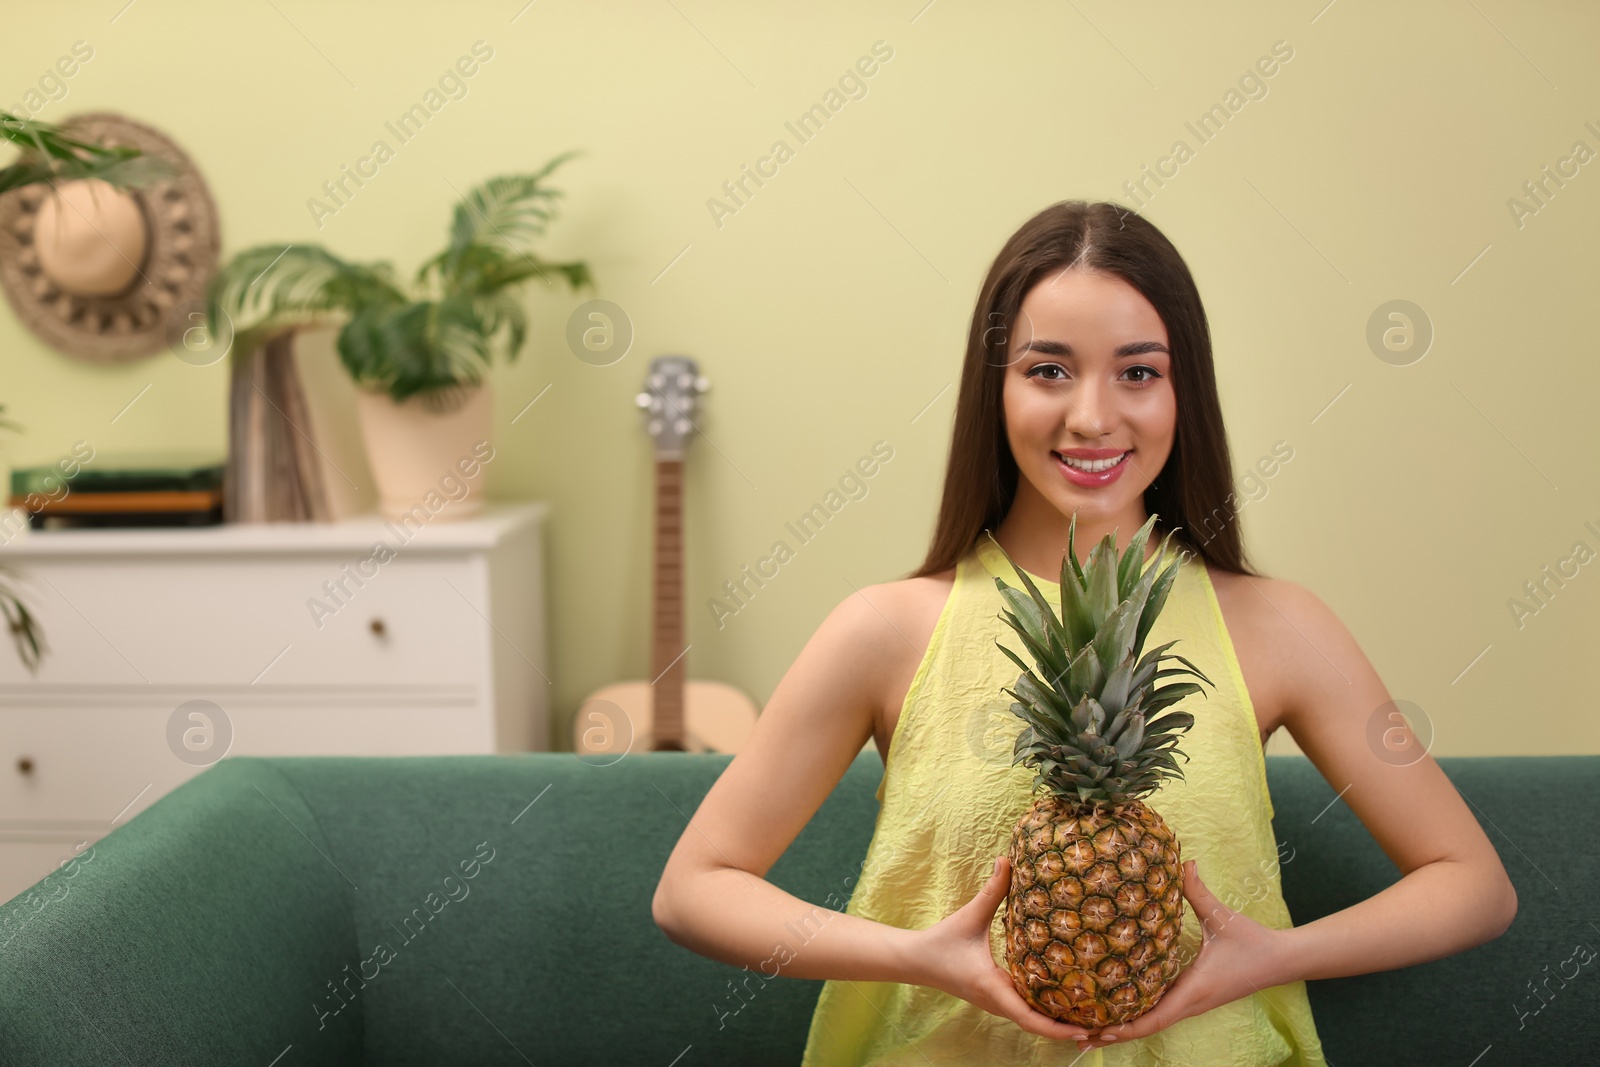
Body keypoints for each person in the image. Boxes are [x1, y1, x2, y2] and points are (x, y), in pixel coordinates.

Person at [651, 200, 1518, 1064]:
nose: (1093, 417)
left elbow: (1472, 883)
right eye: (1049, 370)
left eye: (1138, 372)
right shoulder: (885, 629)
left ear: (1185, 390)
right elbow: (695, 888)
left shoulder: (1279, 626)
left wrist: (1271, 956)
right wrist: (918, 955)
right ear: (995, 387)